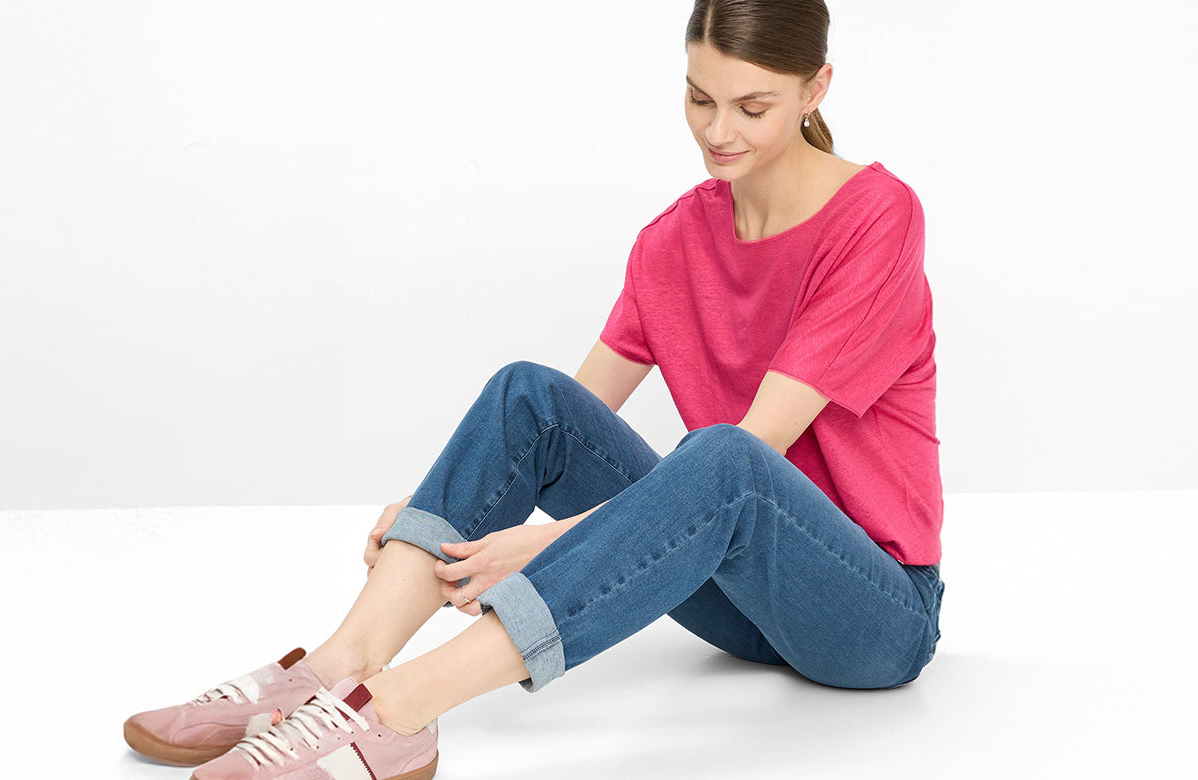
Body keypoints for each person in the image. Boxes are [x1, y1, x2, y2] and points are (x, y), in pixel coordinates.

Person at [122, 2, 944, 778]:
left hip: (872, 613)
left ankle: (396, 712)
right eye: (700, 99)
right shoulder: (674, 241)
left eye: (751, 108)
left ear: (815, 89)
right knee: (528, 396)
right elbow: (563, 427)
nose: (718, 131)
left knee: (724, 456)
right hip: (735, 600)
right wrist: (435, 514)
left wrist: (541, 544)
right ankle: (336, 668)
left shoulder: (877, 216)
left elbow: (758, 451)